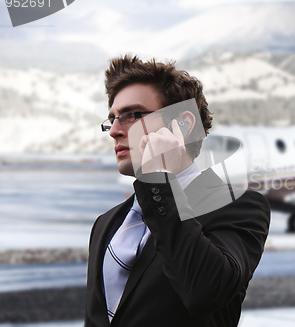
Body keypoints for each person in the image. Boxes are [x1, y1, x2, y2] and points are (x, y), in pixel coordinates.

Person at [85, 55, 271, 327]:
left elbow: (204, 292)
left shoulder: (238, 205)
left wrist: (159, 181)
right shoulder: (106, 223)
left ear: (183, 124)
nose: (114, 130)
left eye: (132, 116)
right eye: (111, 119)